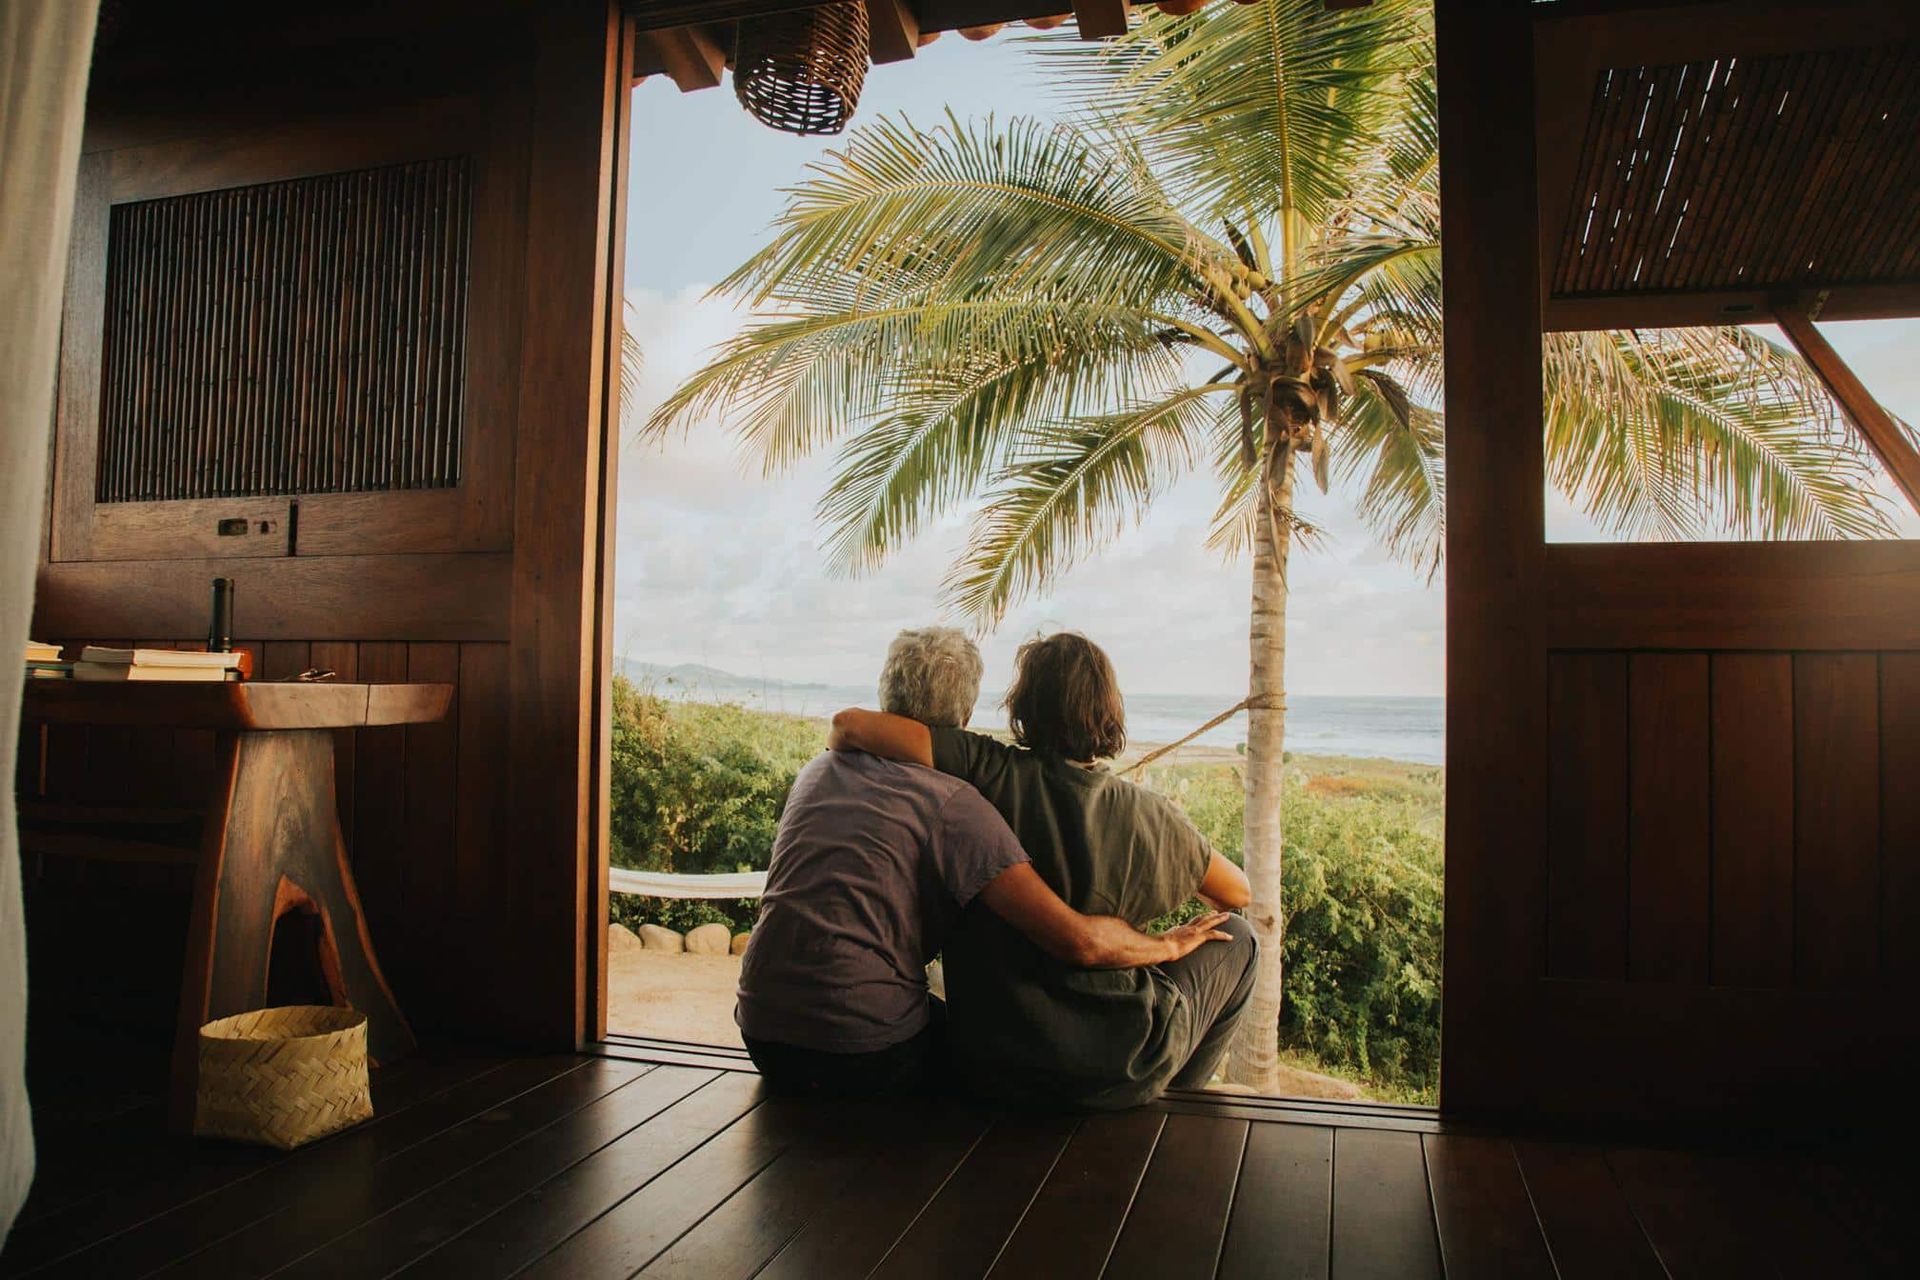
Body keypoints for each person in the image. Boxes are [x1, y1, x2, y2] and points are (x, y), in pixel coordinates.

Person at [735, 627, 1235, 1098]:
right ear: (968, 711)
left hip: (759, 1030)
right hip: (864, 1054)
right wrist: (1167, 943)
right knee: (1240, 940)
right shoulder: (959, 806)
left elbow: (847, 724)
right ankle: (1178, 1108)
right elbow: (1079, 938)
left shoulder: (818, 771)